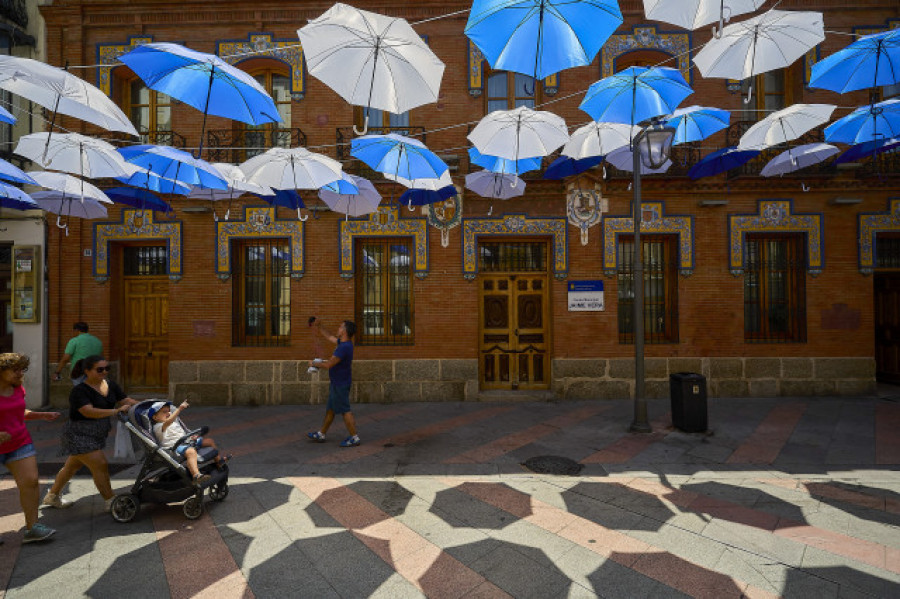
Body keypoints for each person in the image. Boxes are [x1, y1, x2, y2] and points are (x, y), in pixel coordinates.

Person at [42, 355, 137, 512]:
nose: (104, 372)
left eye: (107, 368)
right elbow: (88, 411)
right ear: (87, 371)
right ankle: (111, 501)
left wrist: (149, 404)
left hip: (97, 435)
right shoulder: (79, 391)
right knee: (100, 464)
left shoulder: (111, 385)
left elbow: (125, 400)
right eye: (100, 369)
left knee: (71, 466)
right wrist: (115, 411)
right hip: (78, 434)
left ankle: (52, 496)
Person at [0, 353, 61, 544]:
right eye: (15, 370)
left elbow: (19, 412)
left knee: (31, 481)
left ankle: (32, 527)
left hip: (19, 442)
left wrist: (40, 416)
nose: (20, 374)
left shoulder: (18, 389)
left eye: (22, 369)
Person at [306, 318, 360, 447]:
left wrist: (314, 363)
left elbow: (330, 364)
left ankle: (354, 437)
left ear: (345, 331)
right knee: (330, 409)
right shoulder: (343, 343)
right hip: (337, 382)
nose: (338, 328)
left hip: (340, 384)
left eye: (341, 327)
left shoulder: (344, 348)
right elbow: (329, 337)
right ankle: (321, 434)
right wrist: (320, 326)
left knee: (345, 410)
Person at [148, 400, 226, 485]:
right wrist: (179, 409)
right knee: (191, 451)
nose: (168, 413)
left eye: (169, 411)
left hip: (186, 442)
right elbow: (168, 421)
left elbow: (181, 433)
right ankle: (196, 475)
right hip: (175, 447)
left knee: (210, 441)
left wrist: (191, 437)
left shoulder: (173, 423)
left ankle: (219, 462)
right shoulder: (158, 427)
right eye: (164, 412)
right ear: (155, 417)